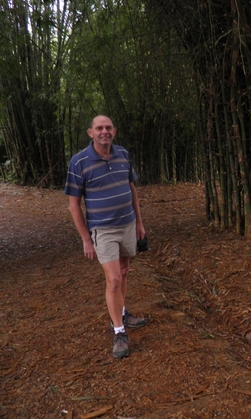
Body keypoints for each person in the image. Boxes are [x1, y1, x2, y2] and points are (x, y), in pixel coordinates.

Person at [65, 115, 147, 357]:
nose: (104, 132)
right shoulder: (79, 162)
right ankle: (119, 332)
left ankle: (121, 313)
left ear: (115, 131)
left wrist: (139, 222)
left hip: (127, 224)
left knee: (123, 272)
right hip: (103, 229)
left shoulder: (123, 154)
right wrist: (86, 239)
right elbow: (73, 205)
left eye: (108, 127)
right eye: (99, 128)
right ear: (91, 133)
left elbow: (131, 188)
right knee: (112, 279)